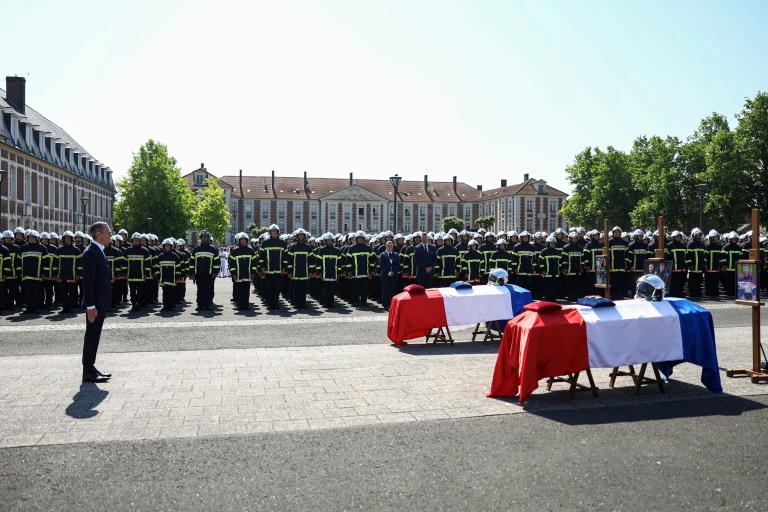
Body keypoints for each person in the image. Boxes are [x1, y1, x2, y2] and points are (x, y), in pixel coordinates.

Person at [81, 222, 113, 383]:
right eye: (108, 232)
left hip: (100, 301)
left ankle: (91, 367)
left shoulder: (99, 251)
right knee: (92, 335)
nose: (110, 234)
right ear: (98, 234)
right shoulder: (91, 252)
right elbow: (88, 281)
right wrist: (90, 306)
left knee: (95, 335)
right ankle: (88, 370)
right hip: (95, 304)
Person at [379, 241, 400, 310]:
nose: (389, 248)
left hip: (394, 275)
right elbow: (382, 265)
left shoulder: (396, 255)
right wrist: (388, 272)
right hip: (385, 275)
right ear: (386, 247)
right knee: (385, 290)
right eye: (388, 246)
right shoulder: (382, 255)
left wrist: (393, 271)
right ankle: (385, 304)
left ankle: (392, 304)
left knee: (392, 290)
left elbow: (398, 265)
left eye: (391, 246)